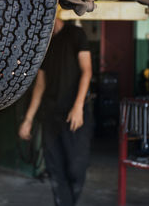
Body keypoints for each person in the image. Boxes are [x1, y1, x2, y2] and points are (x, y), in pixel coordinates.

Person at [18, 16, 93, 206]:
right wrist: (28, 119)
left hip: (74, 115)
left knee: (76, 167)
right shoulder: (44, 44)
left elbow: (87, 70)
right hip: (50, 115)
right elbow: (40, 84)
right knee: (54, 169)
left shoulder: (76, 34)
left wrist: (78, 106)